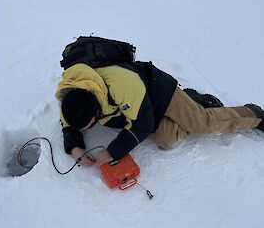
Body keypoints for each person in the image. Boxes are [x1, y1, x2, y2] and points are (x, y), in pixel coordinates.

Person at [55, 61, 264, 166]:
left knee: (202, 125)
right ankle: (190, 105)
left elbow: (143, 124)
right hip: (137, 109)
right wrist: (75, 148)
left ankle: (253, 115)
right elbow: (68, 123)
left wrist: (112, 151)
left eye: (89, 125)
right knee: (167, 140)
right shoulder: (70, 96)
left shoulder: (122, 84)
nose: (85, 130)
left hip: (159, 92)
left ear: (96, 110)